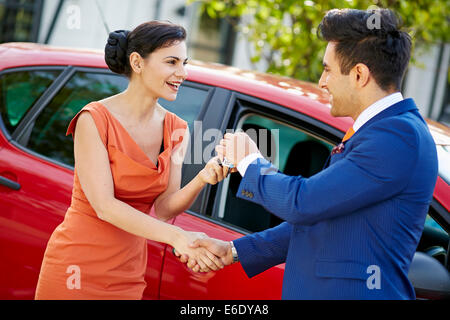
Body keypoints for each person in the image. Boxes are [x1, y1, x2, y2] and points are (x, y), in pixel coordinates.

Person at [178, 9, 439, 299]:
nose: (322, 81)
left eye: (327, 69)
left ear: (359, 74)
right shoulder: (384, 131)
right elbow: (320, 220)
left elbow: (304, 202)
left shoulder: (396, 137)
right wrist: (234, 250)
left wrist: (249, 160)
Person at [35, 21, 227, 300]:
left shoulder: (177, 129)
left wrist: (201, 179)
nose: (182, 73)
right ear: (137, 62)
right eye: (171, 62)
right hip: (75, 267)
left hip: (127, 275)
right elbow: (105, 207)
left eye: (184, 63)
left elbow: (163, 208)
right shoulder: (94, 119)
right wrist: (177, 238)